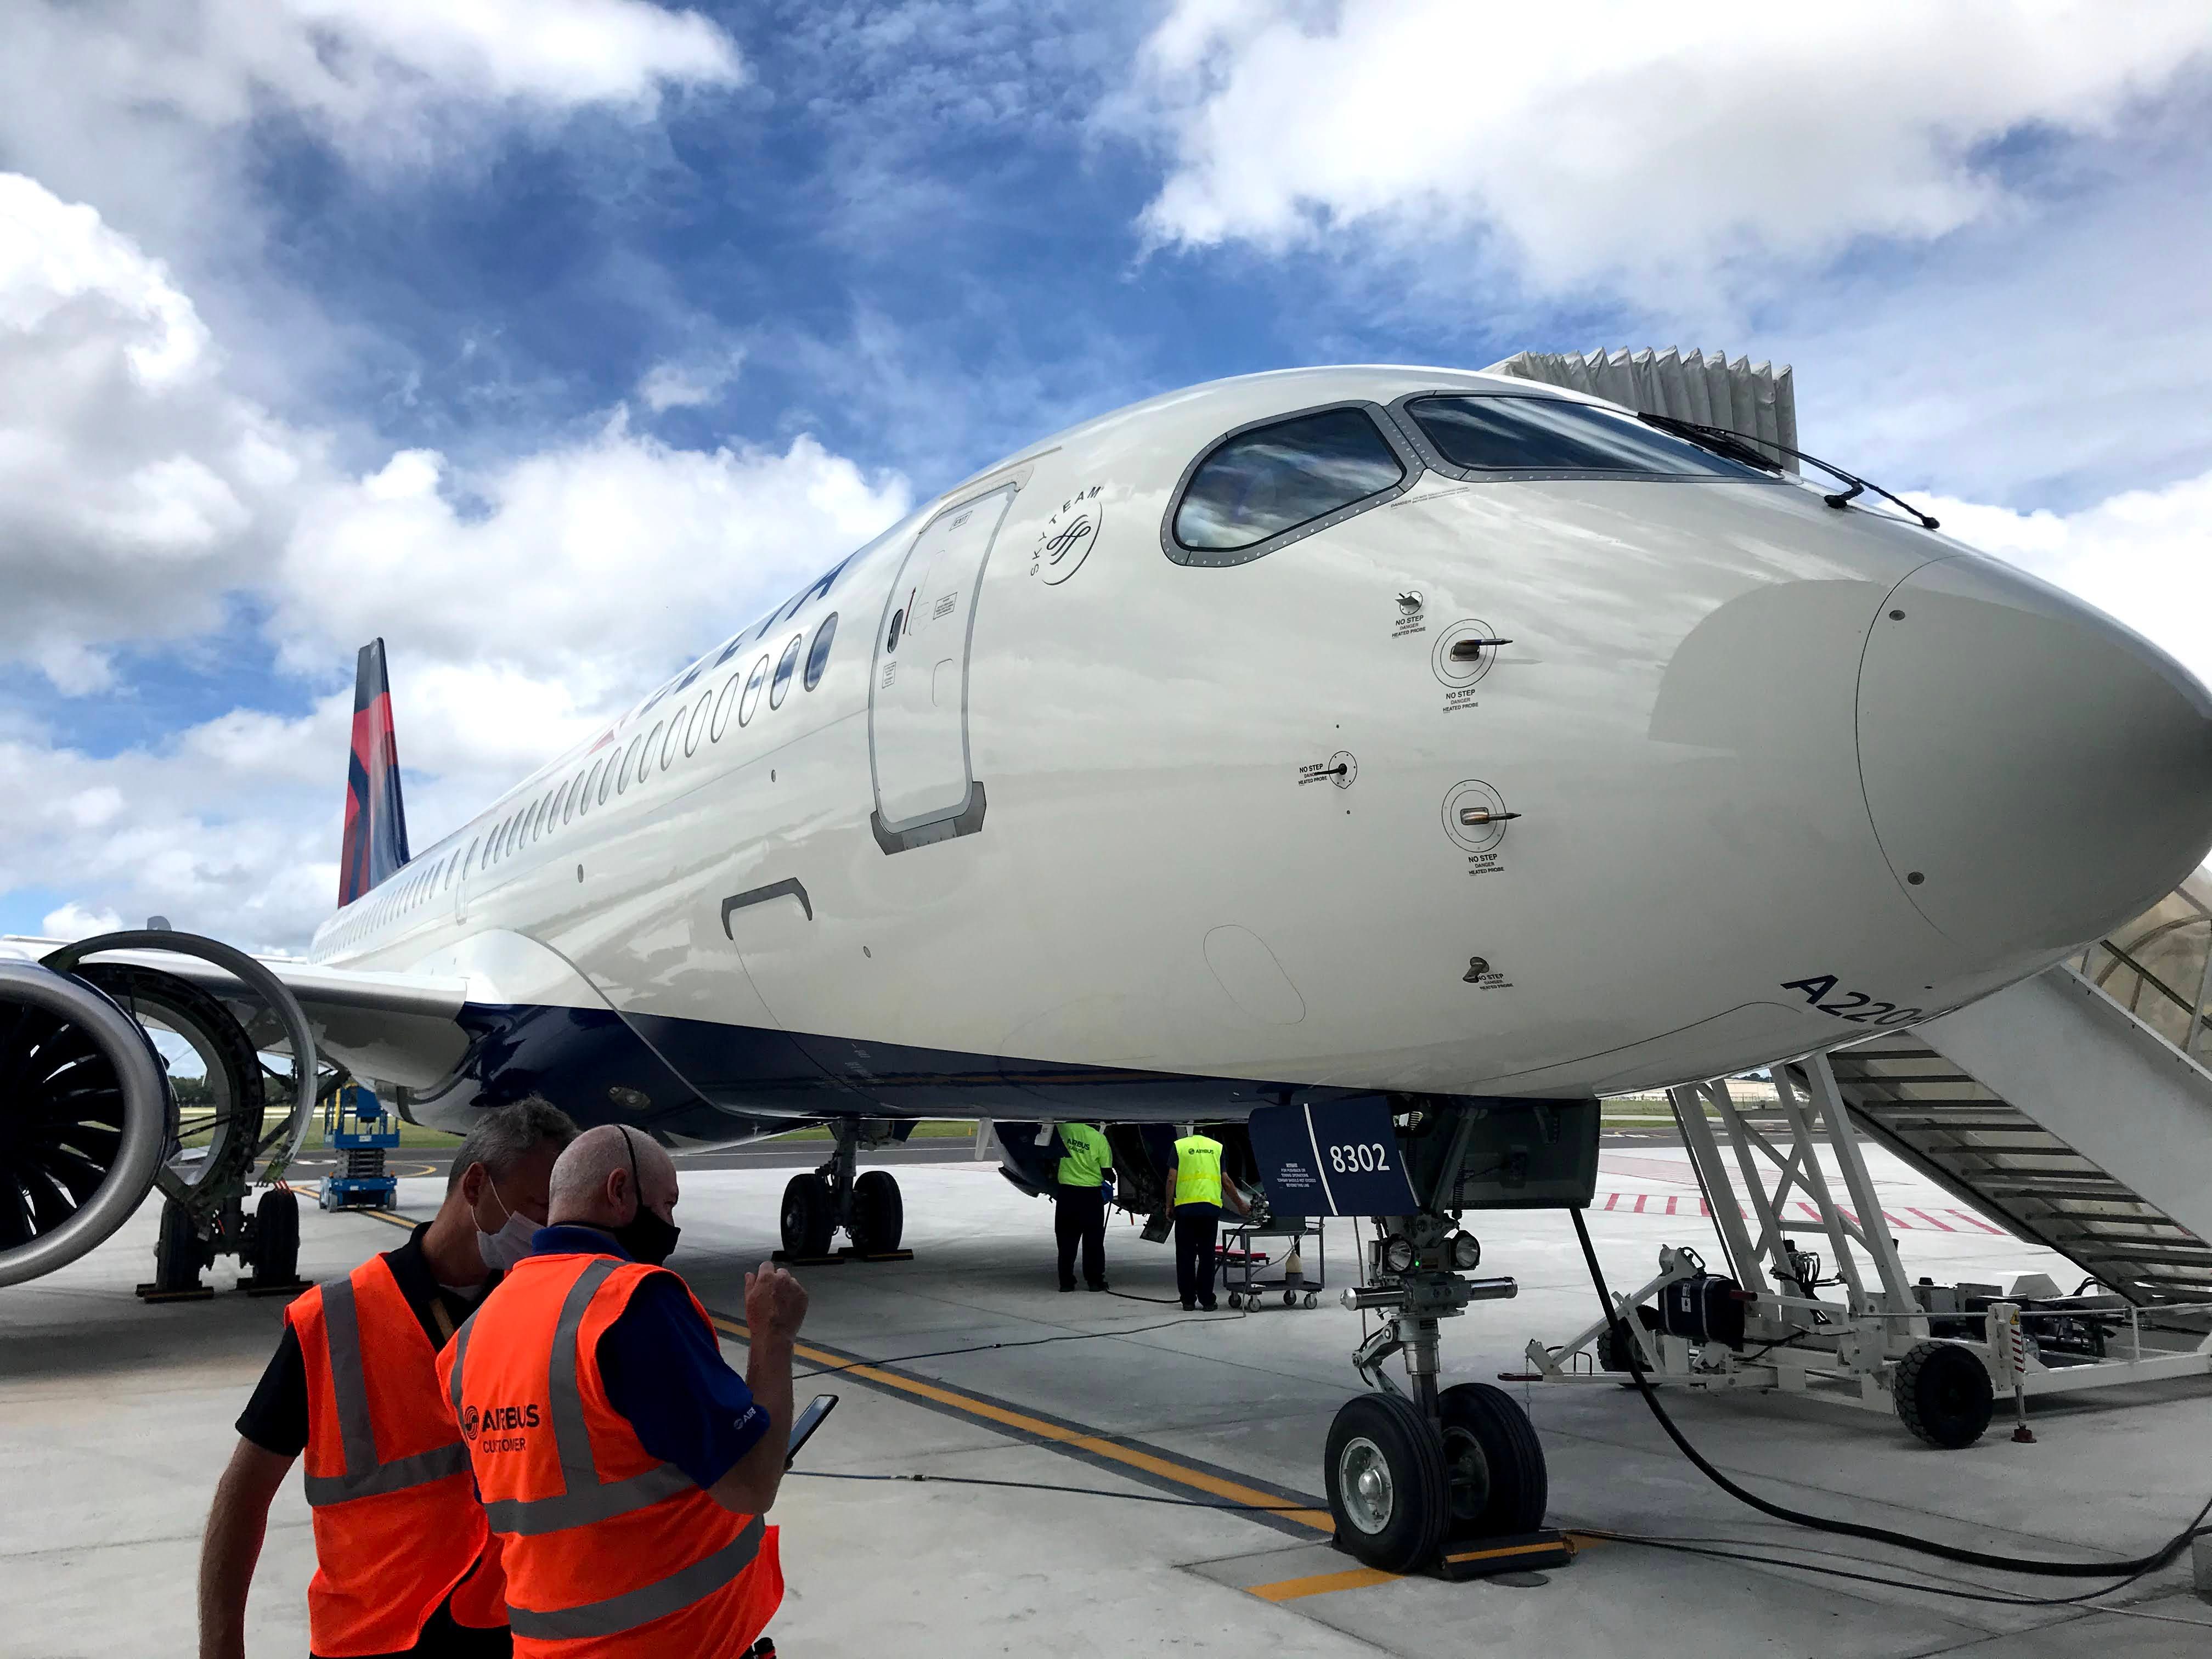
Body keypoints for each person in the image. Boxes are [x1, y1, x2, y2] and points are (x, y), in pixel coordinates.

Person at [199, 1097, 579, 1659]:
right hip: (371, 1639)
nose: (546, 1230)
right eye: (537, 1207)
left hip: (507, 1635)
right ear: (475, 1185)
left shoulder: (543, 1311)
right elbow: (245, 1492)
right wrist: (221, 1645)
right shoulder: (333, 1320)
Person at [437, 1124, 808, 1658]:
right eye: (665, 1204)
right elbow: (750, 1484)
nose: (670, 1224)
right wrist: (773, 1338)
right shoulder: (631, 1304)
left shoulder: (469, 1342)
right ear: (619, 1192)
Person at [1167, 1124, 1249, 1311]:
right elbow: (1226, 1181)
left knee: (1185, 1256)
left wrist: (1169, 1205)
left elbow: (1172, 1179)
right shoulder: (1217, 1148)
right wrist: (1240, 1204)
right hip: (1209, 1210)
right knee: (1206, 1256)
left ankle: (1188, 1300)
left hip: (1185, 1210)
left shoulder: (1180, 1146)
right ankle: (1207, 1301)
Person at [1052, 1122, 1114, 1293]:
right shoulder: (1100, 1140)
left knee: (1066, 1241)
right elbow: (1107, 1171)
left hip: (1067, 1194)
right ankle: (1094, 1281)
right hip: (1090, 1196)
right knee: (1093, 1241)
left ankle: (1066, 1282)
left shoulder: (1067, 1128)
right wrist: (1112, 1178)